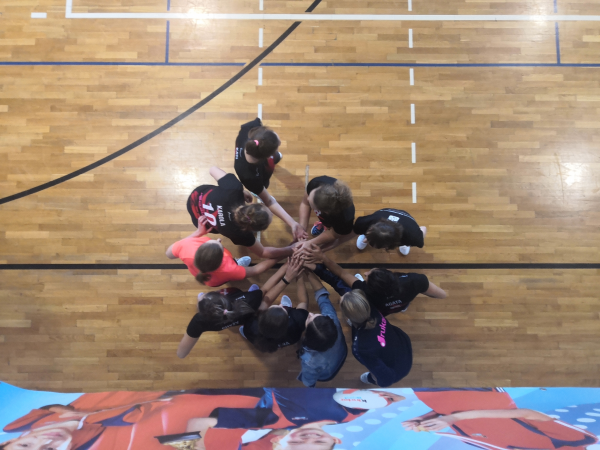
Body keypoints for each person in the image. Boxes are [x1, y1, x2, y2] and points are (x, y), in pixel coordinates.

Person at [177, 260, 304, 358]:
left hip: (248, 321)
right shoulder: (245, 302)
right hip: (247, 313)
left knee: (202, 299)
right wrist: (286, 270)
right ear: (224, 296)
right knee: (259, 301)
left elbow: (181, 354)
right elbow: (266, 292)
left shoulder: (199, 321)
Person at [402, 388, 598, 450]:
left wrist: (422, 420)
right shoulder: (574, 442)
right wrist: (455, 417)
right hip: (477, 390)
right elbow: (525, 413)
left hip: (430, 395)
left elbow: (449, 416)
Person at [299, 243, 447, 314]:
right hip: (397, 303)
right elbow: (441, 295)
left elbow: (341, 274)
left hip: (373, 311)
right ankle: (402, 305)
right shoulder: (415, 281)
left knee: (346, 292)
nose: (365, 273)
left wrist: (323, 257)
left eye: (367, 276)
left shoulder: (363, 290)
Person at [187, 166, 296, 258]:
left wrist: (241, 191)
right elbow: (262, 252)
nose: (272, 213)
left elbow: (212, 169)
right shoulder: (240, 234)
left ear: (252, 205)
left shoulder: (234, 188)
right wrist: (291, 249)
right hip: (200, 221)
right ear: (253, 229)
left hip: (195, 198)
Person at [234, 118, 307, 241]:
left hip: (262, 158)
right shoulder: (249, 176)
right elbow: (268, 201)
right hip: (260, 177)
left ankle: (276, 158)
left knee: (275, 158)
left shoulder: (251, 129)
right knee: (264, 186)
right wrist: (292, 223)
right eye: (276, 147)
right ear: (267, 156)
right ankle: (259, 189)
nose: (280, 142)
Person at [166, 216, 279, 286]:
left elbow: (169, 254)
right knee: (233, 272)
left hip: (210, 280)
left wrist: (198, 233)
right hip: (222, 277)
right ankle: (237, 264)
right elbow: (255, 270)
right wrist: (278, 257)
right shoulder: (229, 269)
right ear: (221, 260)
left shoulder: (186, 246)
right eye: (220, 245)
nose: (218, 239)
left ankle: (237, 263)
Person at [340, 289, 413, 387]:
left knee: (375, 375)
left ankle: (370, 379)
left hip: (397, 370)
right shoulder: (373, 308)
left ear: (347, 315)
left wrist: (377, 380)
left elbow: (386, 379)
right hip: (402, 344)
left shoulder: (361, 348)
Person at [241, 257, 309, 353]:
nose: (281, 305)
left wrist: (287, 275)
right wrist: (299, 274)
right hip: (286, 337)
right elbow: (303, 302)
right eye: (283, 307)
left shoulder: (251, 327)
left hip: (252, 335)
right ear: (288, 321)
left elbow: (266, 302)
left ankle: (246, 335)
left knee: (256, 308)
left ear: (261, 318)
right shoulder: (296, 323)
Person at [296, 272, 347, 388]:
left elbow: (308, 381)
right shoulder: (332, 320)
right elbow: (322, 296)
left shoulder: (310, 361)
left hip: (326, 374)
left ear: (307, 336)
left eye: (309, 318)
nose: (310, 313)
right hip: (340, 355)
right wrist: (307, 270)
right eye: (314, 315)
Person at [296, 176, 356, 250]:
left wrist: (310, 243)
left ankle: (328, 226)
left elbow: (334, 235)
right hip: (329, 216)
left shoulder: (345, 220)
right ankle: (324, 224)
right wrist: (302, 229)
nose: (307, 198)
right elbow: (305, 203)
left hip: (337, 224)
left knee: (334, 229)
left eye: (311, 202)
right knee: (325, 222)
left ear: (325, 212)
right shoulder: (316, 183)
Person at [354, 208, 427, 256]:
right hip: (384, 212)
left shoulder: (414, 236)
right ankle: (367, 238)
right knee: (375, 233)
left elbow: (424, 228)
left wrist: (409, 243)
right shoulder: (368, 221)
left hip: (407, 220)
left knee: (408, 241)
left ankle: (405, 245)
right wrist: (369, 237)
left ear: (387, 246)